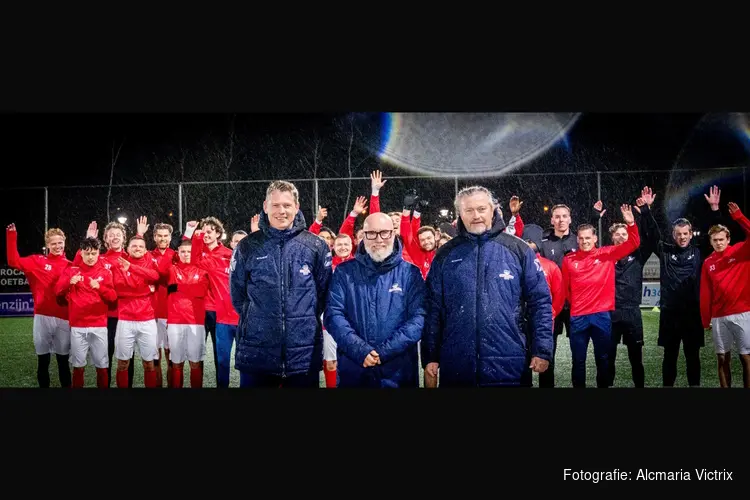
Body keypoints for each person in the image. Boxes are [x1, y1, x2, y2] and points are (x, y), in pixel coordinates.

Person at [421, 185, 553, 387]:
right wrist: (430, 355)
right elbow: (433, 307)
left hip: (509, 362)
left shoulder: (518, 249)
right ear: (460, 215)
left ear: (493, 210)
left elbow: (540, 302)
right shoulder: (445, 255)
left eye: (482, 209)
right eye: (469, 210)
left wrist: (542, 349)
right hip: (457, 363)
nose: (476, 216)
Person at [229, 180, 332, 388]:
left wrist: (300, 321)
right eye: (275, 205)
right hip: (257, 353)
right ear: (266, 207)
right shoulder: (247, 246)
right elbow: (238, 295)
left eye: (287, 205)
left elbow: (323, 294)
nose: (281, 211)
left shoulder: (316, 246)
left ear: (297, 207)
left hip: (303, 354)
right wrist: (260, 322)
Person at [324, 212, 426, 388]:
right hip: (354, 369)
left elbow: (419, 318)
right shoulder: (344, 272)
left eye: (384, 232)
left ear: (393, 234)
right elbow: (333, 314)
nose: (379, 239)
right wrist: (359, 349)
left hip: (398, 372)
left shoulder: (411, 273)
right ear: (363, 236)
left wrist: (384, 351)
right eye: (371, 233)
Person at [646, 185, 724, 387]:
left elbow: (714, 233)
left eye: (685, 233)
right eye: (678, 234)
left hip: (692, 315)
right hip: (670, 315)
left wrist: (715, 210)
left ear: (691, 234)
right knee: (669, 358)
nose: (682, 237)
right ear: (674, 235)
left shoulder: (699, 252)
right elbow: (653, 234)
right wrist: (647, 210)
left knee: (693, 358)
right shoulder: (665, 252)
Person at [561, 205, 640, 388]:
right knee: (578, 361)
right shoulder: (569, 260)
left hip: (601, 316)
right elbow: (566, 289)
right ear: (577, 240)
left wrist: (631, 224)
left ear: (595, 238)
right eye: (581, 238)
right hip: (578, 317)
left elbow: (633, 244)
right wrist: (577, 304)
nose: (584, 241)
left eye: (588, 238)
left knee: (603, 359)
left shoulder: (607, 254)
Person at [603, 188, 659, 388]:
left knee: (636, 358)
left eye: (624, 233)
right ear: (612, 238)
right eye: (616, 235)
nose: (620, 237)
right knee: (608, 358)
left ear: (629, 235)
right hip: (610, 313)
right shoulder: (606, 256)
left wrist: (645, 213)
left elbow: (652, 238)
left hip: (632, 314)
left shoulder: (638, 256)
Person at [6, 223, 72, 388]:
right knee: (43, 361)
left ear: (65, 242)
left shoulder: (71, 265)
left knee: (63, 362)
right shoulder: (37, 261)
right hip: (42, 317)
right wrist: (11, 236)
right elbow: (13, 261)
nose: (57, 246)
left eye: (60, 242)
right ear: (48, 245)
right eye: (53, 243)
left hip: (64, 318)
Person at [78, 220, 136, 387]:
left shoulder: (131, 257)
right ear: (106, 239)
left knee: (126, 357)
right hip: (107, 316)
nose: (115, 237)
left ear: (124, 238)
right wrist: (88, 238)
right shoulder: (99, 258)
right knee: (106, 356)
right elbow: (78, 265)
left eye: (118, 234)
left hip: (127, 315)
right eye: (111, 235)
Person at [55, 237, 117, 388]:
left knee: (102, 366)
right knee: (78, 366)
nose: (90, 257)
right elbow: (57, 291)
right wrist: (68, 284)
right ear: (81, 253)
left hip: (99, 326)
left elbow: (113, 298)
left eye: (94, 253)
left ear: (98, 254)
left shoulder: (105, 273)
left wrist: (100, 288)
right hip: (78, 326)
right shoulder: (71, 271)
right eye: (87, 253)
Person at [700, 202, 750, 388]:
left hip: (743, 313)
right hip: (719, 317)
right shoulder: (708, 263)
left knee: (746, 358)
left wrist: (739, 217)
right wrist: (706, 319)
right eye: (715, 240)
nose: (719, 243)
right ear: (711, 242)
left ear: (728, 239)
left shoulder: (741, 251)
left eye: (722, 239)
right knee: (722, 359)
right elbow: (705, 292)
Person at [190, 216, 237, 388]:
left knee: (220, 355)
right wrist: (195, 235)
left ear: (218, 234)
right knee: (197, 353)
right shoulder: (198, 250)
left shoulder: (228, 254)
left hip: (219, 310)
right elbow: (193, 260)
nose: (206, 235)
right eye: (204, 232)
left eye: (210, 232)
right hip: (200, 309)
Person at [111, 236, 161, 388]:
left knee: (149, 364)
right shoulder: (118, 266)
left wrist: (132, 268)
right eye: (134, 246)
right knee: (122, 363)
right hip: (125, 320)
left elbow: (155, 276)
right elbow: (119, 289)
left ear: (146, 250)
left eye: (141, 246)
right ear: (128, 249)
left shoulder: (149, 264)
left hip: (147, 321)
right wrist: (145, 289)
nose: (137, 248)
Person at [166, 239, 210, 388]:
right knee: (177, 363)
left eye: (189, 252)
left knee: (195, 363)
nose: (186, 254)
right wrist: (190, 287)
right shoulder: (172, 269)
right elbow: (192, 289)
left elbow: (201, 291)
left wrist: (179, 287)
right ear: (178, 253)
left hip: (195, 322)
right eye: (183, 251)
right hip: (175, 322)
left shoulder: (202, 271)